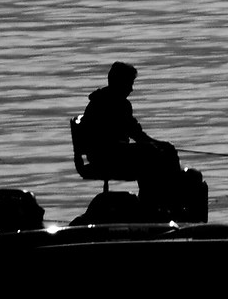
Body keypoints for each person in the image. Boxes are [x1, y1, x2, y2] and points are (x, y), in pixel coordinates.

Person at [77, 62, 208, 222]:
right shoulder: (114, 104)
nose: (131, 89)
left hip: (108, 154)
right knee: (153, 154)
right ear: (120, 81)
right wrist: (157, 145)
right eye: (130, 83)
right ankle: (159, 204)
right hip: (107, 157)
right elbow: (136, 135)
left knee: (163, 151)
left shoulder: (105, 101)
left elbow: (135, 134)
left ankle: (165, 200)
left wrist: (159, 145)